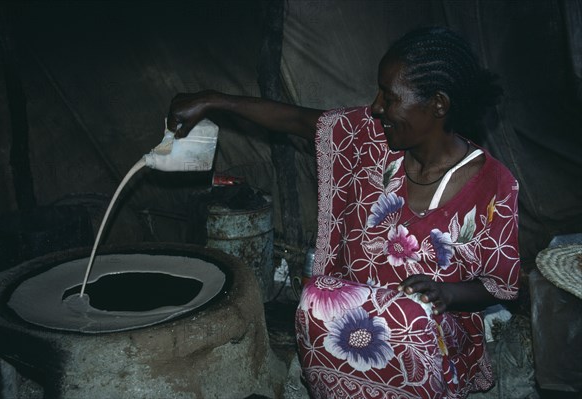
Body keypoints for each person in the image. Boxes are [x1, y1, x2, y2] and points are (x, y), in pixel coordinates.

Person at [168, 26, 520, 399]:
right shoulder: (370, 139)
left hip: (431, 341)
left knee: (409, 320)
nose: (376, 107)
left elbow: (499, 285)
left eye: (389, 95)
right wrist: (214, 101)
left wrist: (447, 294)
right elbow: (296, 121)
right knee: (316, 301)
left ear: (438, 105)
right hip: (348, 330)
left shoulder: (493, 186)